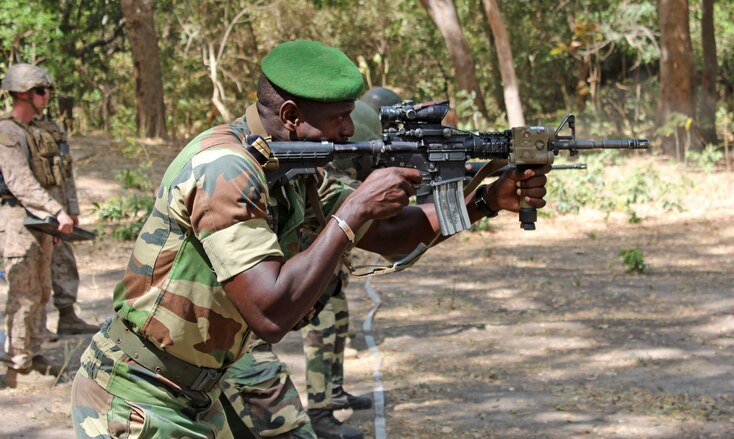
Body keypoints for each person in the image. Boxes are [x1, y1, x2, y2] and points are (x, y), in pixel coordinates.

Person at [70, 39, 550, 438]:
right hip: (139, 395)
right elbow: (271, 311)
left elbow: (387, 234)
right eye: (340, 117)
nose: (348, 131)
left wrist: (484, 201)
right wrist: (353, 208)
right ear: (292, 113)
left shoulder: (294, 165)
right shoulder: (225, 169)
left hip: (200, 387)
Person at [299, 100, 384, 439]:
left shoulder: (337, 175)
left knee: (338, 321)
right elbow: (386, 230)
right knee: (321, 331)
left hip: (331, 275)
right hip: (313, 275)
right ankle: (319, 412)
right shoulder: (327, 180)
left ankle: (333, 392)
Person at [0, 63, 76, 388]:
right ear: (26, 94)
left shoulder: (34, 130)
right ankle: (17, 364)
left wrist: (54, 217)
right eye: (43, 92)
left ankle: (35, 352)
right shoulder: (7, 133)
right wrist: (57, 211)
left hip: (38, 221)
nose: (47, 98)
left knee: (42, 290)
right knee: (23, 294)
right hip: (17, 219)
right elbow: (20, 182)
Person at [30, 114, 100, 338]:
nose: (45, 96)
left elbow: (66, 171)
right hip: (33, 211)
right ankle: (37, 326)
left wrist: (72, 207)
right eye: (39, 91)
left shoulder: (53, 129)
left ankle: (68, 316)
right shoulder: (15, 129)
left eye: (47, 91)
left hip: (59, 210)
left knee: (64, 260)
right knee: (34, 268)